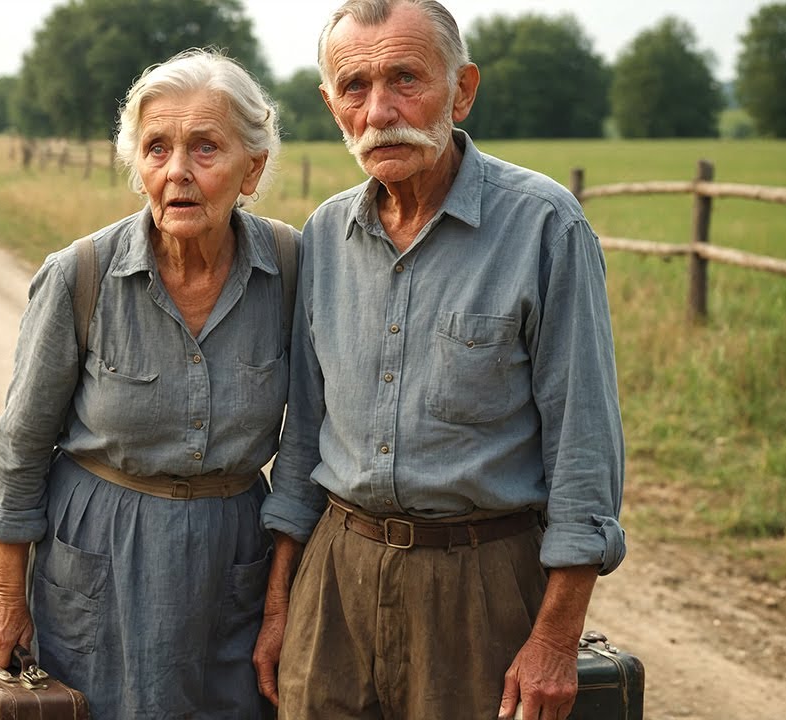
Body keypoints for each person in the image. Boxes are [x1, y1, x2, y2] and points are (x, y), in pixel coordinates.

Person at [253, 2, 626, 719]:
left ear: (462, 91)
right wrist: (279, 610)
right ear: (331, 106)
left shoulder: (545, 226)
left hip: (481, 589)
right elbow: (302, 441)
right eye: (355, 87)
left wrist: (555, 639)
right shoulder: (325, 235)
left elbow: (584, 451)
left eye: (406, 78)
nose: (379, 111)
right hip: (334, 582)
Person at [0, 48, 297, 719]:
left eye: (205, 147)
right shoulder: (81, 275)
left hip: (233, 556)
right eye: (156, 149)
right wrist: (5, 595)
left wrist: (279, 601)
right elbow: (21, 446)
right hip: (101, 554)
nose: (177, 171)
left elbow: (307, 442)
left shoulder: (292, 268)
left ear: (252, 167)